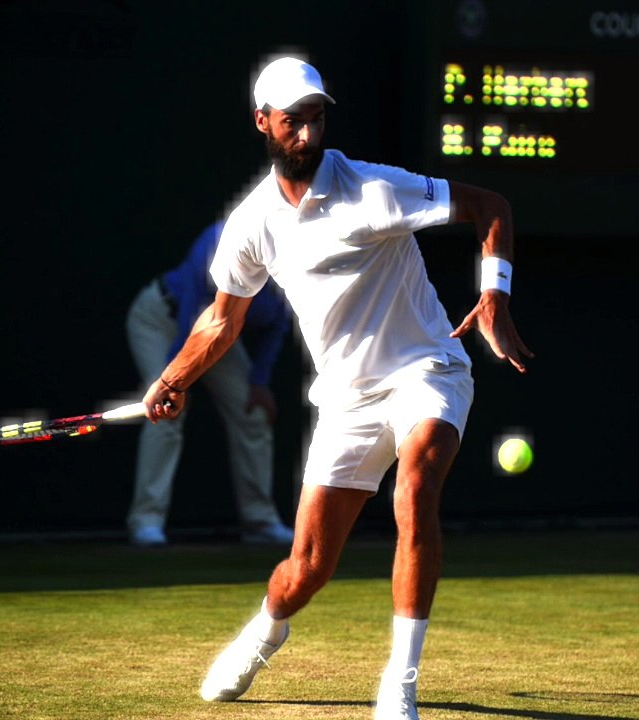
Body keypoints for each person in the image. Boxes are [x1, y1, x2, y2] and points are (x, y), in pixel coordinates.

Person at [141, 56, 533, 720]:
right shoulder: (251, 225)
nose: (307, 134)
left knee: (415, 491)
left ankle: (399, 683)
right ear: (263, 123)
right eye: (293, 122)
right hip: (347, 399)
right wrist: (174, 377)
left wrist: (494, 296)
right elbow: (221, 319)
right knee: (306, 571)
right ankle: (265, 631)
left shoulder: (374, 189)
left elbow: (490, 207)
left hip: (427, 370)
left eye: (317, 119)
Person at [125, 219, 296, 547]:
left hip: (218, 335)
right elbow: (192, 310)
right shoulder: (218, 241)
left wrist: (259, 381)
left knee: (254, 414)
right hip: (161, 320)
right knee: (164, 416)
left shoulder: (293, 267)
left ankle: (260, 521)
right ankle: (146, 522)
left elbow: (277, 326)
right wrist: (172, 383)